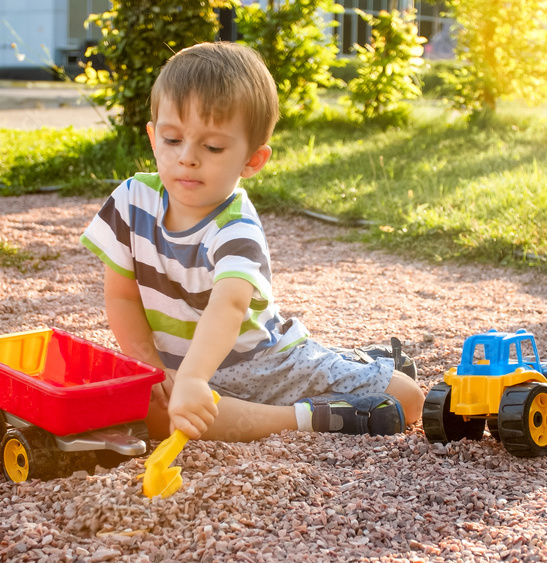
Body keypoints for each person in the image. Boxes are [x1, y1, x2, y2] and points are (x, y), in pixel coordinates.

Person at [81, 42, 424, 443]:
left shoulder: (237, 228)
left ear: (252, 160)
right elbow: (121, 297)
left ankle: (347, 377)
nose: (187, 158)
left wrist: (193, 376)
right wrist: (154, 369)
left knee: (408, 399)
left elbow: (228, 305)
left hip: (266, 362)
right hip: (182, 371)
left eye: (212, 147)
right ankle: (311, 417)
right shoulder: (131, 201)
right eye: (173, 140)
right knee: (151, 419)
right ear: (153, 137)